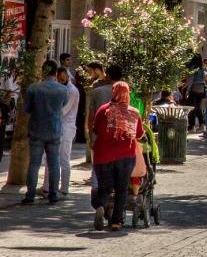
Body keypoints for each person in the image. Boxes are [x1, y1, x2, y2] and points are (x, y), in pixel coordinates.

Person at [90, 81, 144, 230]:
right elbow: (139, 134)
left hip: (103, 155)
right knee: (121, 189)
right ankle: (116, 221)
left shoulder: (102, 110)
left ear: (113, 92)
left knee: (104, 187)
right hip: (125, 156)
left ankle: (100, 206)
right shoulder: (133, 112)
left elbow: (96, 130)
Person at [23, 60, 69, 205]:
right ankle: (53, 194)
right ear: (56, 73)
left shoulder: (33, 88)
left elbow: (27, 109)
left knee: (34, 163)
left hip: (36, 129)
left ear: (43, 71)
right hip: (54, 129)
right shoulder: (63, 90)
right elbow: (63, 105)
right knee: (54, 163)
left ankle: (30, 195)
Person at [40, 66, 80, 196]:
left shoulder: (72, 91)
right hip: (56, 126)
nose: (61, 81)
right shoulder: (59, 89)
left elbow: (63, 111)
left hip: (66, 128)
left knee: (63, 159)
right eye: (59, 79)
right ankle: (47, 187)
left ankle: (64, 188)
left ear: (68, 77)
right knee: (50, 157)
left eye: (63, 79)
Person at [86, 65, 119, 160]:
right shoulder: (125, 93)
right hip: (118, 137)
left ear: (107, 75)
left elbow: (91, 117)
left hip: (100, 135)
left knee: (98, 167)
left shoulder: (97, 92)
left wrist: (91, 137)